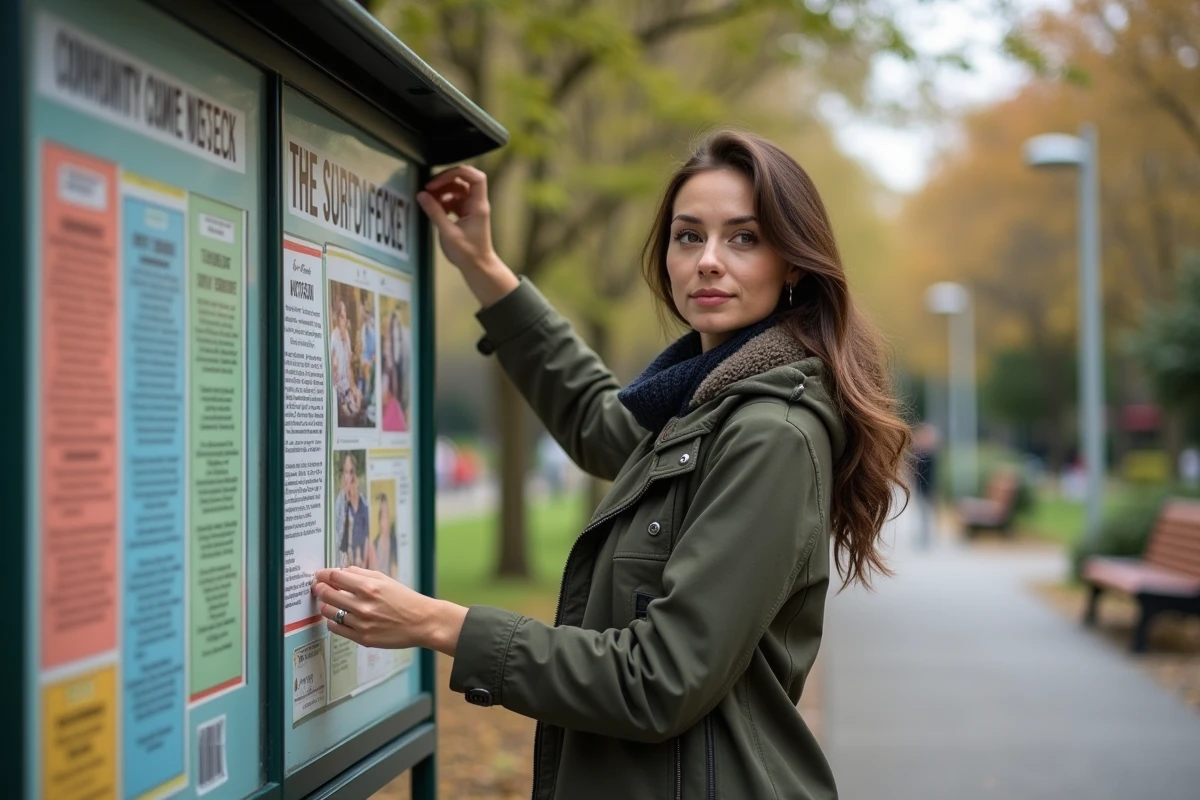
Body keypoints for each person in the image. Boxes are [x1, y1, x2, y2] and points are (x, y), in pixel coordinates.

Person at [313, 130, 910, 799]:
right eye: (688, 236)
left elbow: (660, 679)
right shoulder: (699, 400)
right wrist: (481, 263)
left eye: (744, 238)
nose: (708, 261)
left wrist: (438, 624)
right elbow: (601, 423)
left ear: (793, 263)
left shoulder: (770, 434)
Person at [332, 452, 372, 569]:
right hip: (345, 565)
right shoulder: (340, 503)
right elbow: (337, 539)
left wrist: (364, 561)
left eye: (351, 472)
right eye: (346, 472)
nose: (349, 477)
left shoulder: (363, 503)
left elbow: (367, 535)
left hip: (362, 564)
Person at [329, 299, 361, 424]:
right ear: (337, 318)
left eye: (345, 316)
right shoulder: (333, 336)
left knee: (357, 405)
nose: (344, 320)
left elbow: (349, 366)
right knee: (349, 416)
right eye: (342, 316)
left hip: (347, 385)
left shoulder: (347, 335)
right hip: (338, 388)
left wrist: (353, 387)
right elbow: (332, 368)